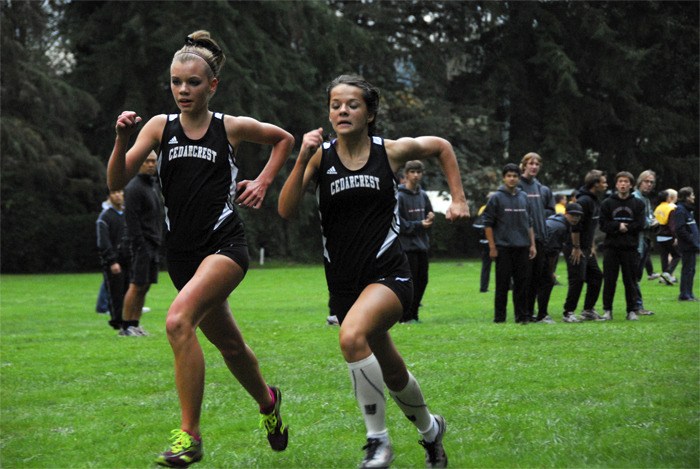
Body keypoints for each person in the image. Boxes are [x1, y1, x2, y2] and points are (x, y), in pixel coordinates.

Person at [107, 30, 293, 467]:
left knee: (177, 321)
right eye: (175, 82)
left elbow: (282, 138)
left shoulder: (229, 128)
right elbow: (115, 181)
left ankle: (189, 436)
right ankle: (269, 403)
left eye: (192, 82)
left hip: (225, 246)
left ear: (212, 86)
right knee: (230, 347)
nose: (183, 90)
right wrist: (119, 139)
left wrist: (264, 181)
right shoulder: (159, 128)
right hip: (183, 257)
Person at [278, 74, 468, 468]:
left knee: (350, 337)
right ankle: (432, 432)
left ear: (370, 112)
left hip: (389, 275)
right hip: (344, 285)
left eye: (352, 104)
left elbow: (442, 147)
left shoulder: (391, 152)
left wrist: (459, 199)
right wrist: (300, 160)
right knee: (391, 368)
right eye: (335, 105)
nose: (343, 110)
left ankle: (377, 441)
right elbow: (285, 209)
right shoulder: (321, 157)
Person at [483, 163, 536, 324]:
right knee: (502, 284)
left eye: (515, 176)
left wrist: (532, 244)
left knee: (522, 284)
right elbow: (488, 224)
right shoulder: (496, 198)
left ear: (519, 178)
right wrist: (492, 247)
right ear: (504, 178)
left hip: (522, 246)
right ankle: (500, 318)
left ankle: (522, 316)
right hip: (503, 247)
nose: (512, 179)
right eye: (509, 176)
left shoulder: (523, 197)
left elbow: (529, 223)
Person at [120, 151, 162, 337]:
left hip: (153, 243)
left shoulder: (152, 186)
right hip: (141, 244)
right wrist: (140, 244)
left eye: (154, 161)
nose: (151, 165)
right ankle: (126, 327)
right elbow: (132, 220)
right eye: (147, 161)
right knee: (136, 284)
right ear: (139, 163)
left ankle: (135, 324)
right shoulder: (134, 188)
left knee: (145, 285)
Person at [599, 172, 645, 321]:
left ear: (631, 185)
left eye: (626, 182)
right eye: (620, 181)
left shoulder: (638, 203)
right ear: (616, 184)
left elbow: (640, 224)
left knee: (630, 281)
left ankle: (631, 310)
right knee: (609, 280)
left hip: (630, 248)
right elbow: (603, 225)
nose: (623, 184)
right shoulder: (607, 203)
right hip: (611, 247)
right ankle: (607, 310)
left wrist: (627, 228)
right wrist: (618, 226)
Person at [562, 170, 607, 323]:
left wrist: (591, 246)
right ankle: (568, 312)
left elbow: (591, 227)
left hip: (586, 248)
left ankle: (588, 310)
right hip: (575, 247)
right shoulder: (584, 201)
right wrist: (576, 247)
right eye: (603, 182)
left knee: (596, 276)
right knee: (578, 279)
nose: (606, 184)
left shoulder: (595, 200)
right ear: (595, 184)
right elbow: (575, 226)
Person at [517, 153, 555, 323]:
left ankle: (538, 312)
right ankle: (524, 313)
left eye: (537, 164)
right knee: (526, 278)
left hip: (541, 238)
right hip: (524, 240)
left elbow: (547, 211)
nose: (534, 167)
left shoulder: (539, 187)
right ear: (524, 165)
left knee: (543, 278)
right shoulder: (518, 186)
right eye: (530, 163)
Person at [397, 160, 435, 323]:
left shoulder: (423, 195)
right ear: (406, 175)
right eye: (412, 172)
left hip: (422, 245)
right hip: (406, 247)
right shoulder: (399, 196)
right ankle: (405, 316)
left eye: (418, 172)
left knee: (422, 280)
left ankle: (414, 314)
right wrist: (418, 225)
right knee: (409, 283)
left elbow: (428, 213)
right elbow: (398, 223)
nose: (416, 175)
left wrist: (430, 218)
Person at [538, 203, 583, 323]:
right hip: (540, 255)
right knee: (546, 283)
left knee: (536, 284)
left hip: (537, 253)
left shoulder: (557, 220)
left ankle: (531, 313)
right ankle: (541, 315)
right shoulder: (561, 227)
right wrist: (551, 271)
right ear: (566, 214)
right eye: (573, 215)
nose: (576, 218)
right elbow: (551, 251)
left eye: (578, 216)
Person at [96, 189, 130, 330]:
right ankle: (118, 322)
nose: (118, 195)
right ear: (109, 196)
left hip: (129, 260)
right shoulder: (105, 217)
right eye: (114, 193)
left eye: (120, 192)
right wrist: (112, 261)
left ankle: (129, 320)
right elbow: (104, 242)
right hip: (114, 263)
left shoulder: (128, 215)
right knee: (115, 293)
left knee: (129, 292)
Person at [632, 170, 658, 315]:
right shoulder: (636, 198)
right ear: (639, 182)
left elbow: (650, 217)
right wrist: (652, 223)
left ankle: (637, 305)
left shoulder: (646, 200)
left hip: (645, 241)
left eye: (651, 182)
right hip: (637, 243)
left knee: (637, 275)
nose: (649, 185)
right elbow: (641, 221)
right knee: (634, 275)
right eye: (646, 181)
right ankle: (637, 306)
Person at [674, 187, 699, 301]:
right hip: (687, 246)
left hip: (692, 245)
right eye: (692, 195)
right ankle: (684, 294)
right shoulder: (680, 210)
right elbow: (680, 229)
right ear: (687, 197)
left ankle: (689, 293)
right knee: (687, 269)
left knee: (691, 270)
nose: (694, 197)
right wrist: (692, 240)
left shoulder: (688, 210)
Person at [654, 189, 680, 285]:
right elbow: (672, 225)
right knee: (677, 255)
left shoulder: (657, 208)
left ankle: (666, 279)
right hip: (668, 235)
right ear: (667, 198)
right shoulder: (670, 209)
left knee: (664, 256)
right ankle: (667, 273)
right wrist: (676, 237)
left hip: (659, 236)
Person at [474, 193, 495, 293]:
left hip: (483, 241)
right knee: (503, 264)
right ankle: (509, 285)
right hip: (494, 241)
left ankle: (483, 287)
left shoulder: (482, 208)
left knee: (486, 265)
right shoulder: (494, 208)